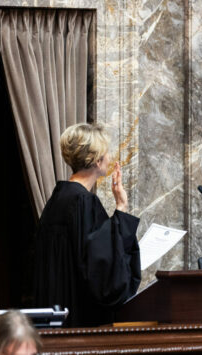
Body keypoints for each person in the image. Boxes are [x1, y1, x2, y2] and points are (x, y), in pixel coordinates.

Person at [34, 123, 141, 327]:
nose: (109, 158)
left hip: (54, 321)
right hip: (79, 323)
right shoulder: (84, 202)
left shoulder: (57, 199)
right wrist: (121, 208)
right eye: (106, 153)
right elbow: (105, 276)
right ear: (96, 160)